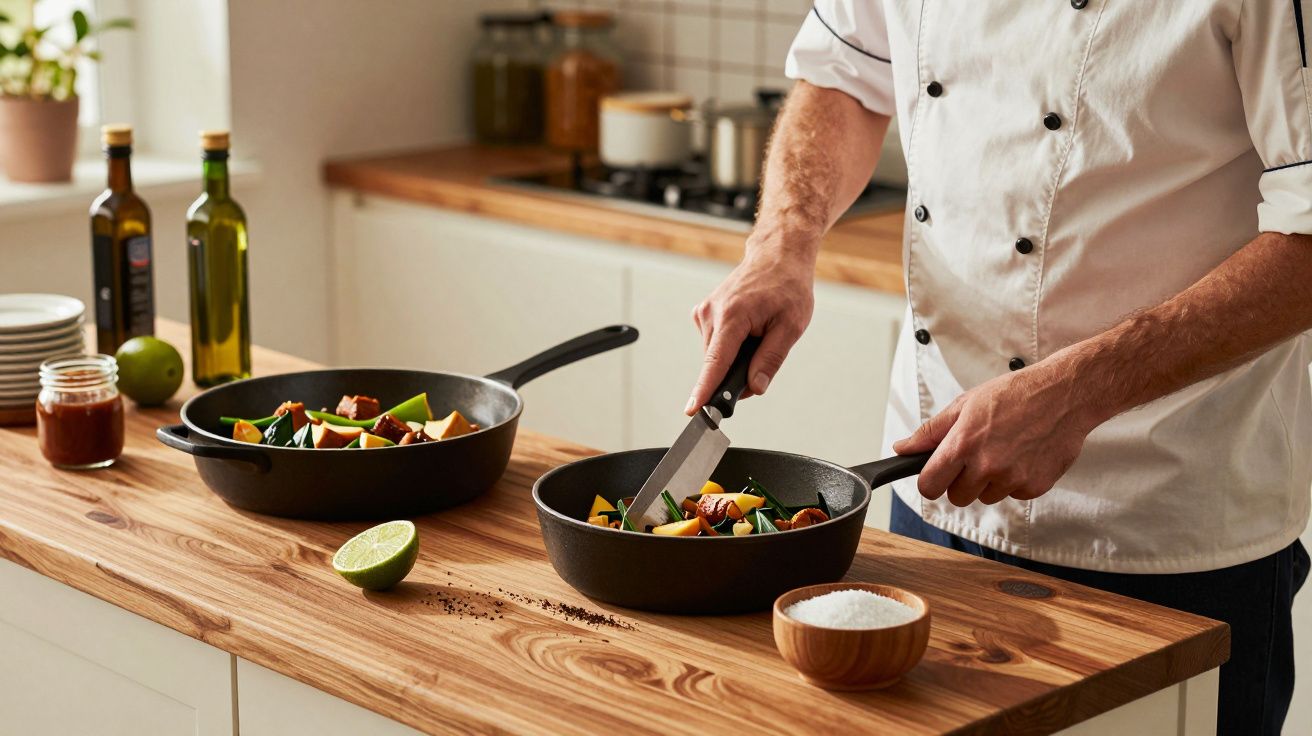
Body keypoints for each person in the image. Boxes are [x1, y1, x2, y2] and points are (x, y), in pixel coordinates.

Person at [686, 2, 1312, 732]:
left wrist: (1076, 393)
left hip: (1163, 532)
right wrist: (783, 238)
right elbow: (846, 76)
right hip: (930, 495)